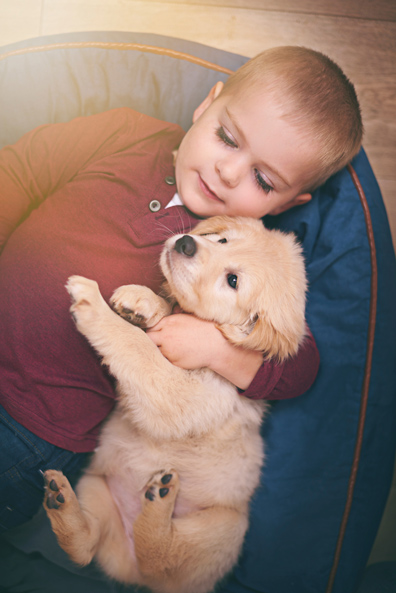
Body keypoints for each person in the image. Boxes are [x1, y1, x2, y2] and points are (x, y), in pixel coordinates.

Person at [0, 46, 362, 533]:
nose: (228, 172)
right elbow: (21, 172)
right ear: (206, 105)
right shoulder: (126, 131)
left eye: (262, 178)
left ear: (287, 202)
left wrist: (216, 349)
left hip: (32, 426)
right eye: (227, 137)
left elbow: (299, 362)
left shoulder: (240, 259)